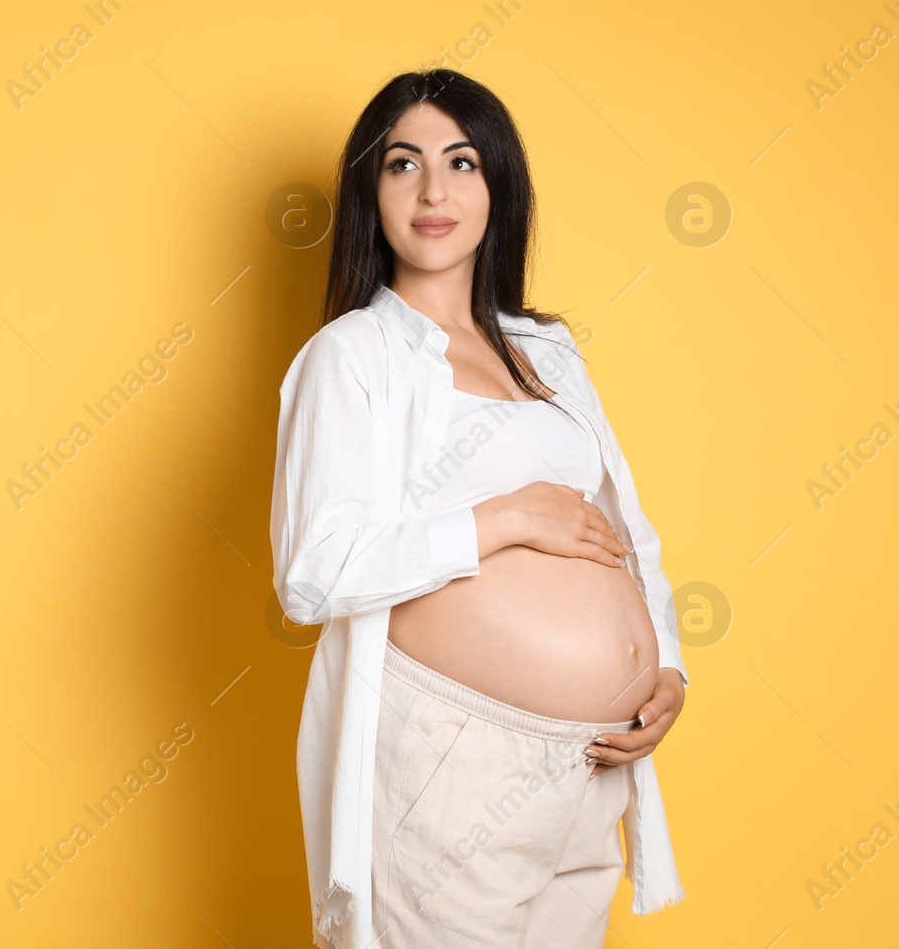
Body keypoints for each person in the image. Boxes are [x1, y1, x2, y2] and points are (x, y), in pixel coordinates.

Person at [269, 68, 690, 949]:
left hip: (592, 763)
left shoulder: (548, 349)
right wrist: (501, 520)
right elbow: (313, 570)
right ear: (369, 192)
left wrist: (667, 667)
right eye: (402, 164)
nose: (434, 190)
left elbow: (628, 523)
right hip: (453, 759)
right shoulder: (351, 356)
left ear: (499, 184)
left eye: (462, 162)